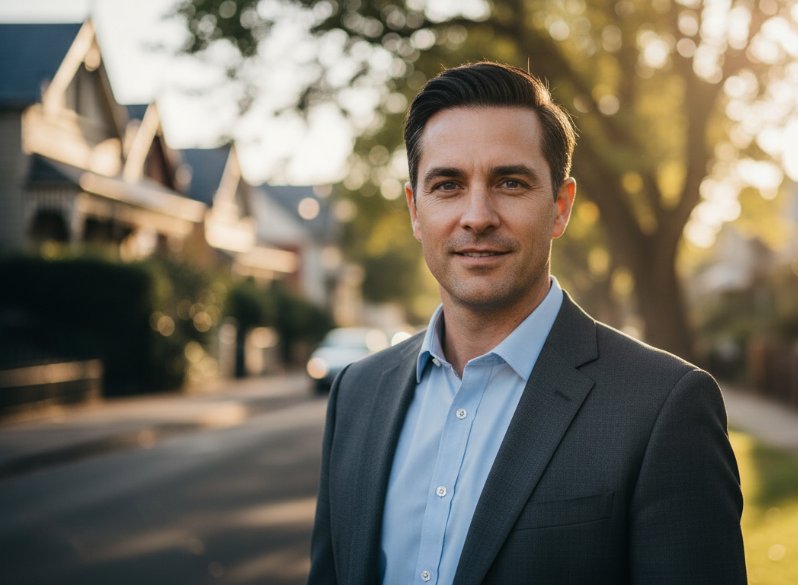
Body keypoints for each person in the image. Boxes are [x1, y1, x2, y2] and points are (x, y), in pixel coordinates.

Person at [308, 61, 746, 585]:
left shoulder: (662, 407)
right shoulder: (357, 393)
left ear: (560, 207)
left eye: (510, 182)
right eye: (447, 185)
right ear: (415, 210)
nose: (477, 215)